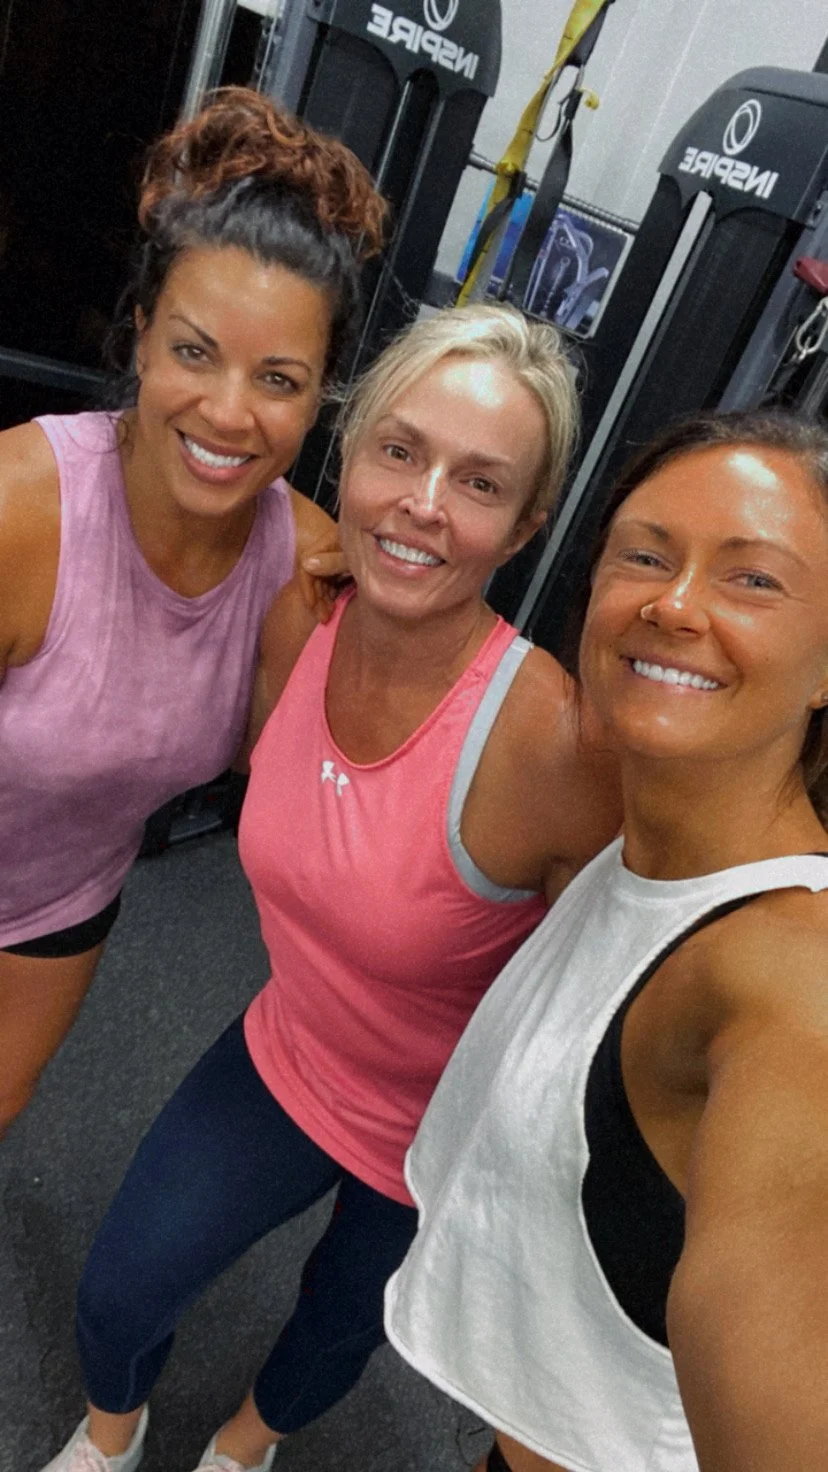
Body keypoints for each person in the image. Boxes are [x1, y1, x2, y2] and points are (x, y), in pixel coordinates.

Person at [38, 303, 621, 1472]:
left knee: (340, 1325)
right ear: (350, 455)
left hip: (441, 1132)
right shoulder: (299, 619)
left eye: (478, 482)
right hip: (290, 1050)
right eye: (400, 451)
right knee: (119, 1288)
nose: (423, 502)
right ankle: (112, 1436)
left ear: (523, 525)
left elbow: (601, 1004)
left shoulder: (551, 744)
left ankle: (241, 1449)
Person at [385, 410, 828, 1472]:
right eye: (645, 556)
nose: (673, 604)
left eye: (752, 578)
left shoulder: (790, 984)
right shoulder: (644, 841)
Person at [0, 87, 385, 1138]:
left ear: (321, 396)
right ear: (140, 336)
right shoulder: (23, 510)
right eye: (194, 352)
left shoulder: (304, 565)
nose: (227, 412)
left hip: (62, 895)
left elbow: (291, 792)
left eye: (278, 379)